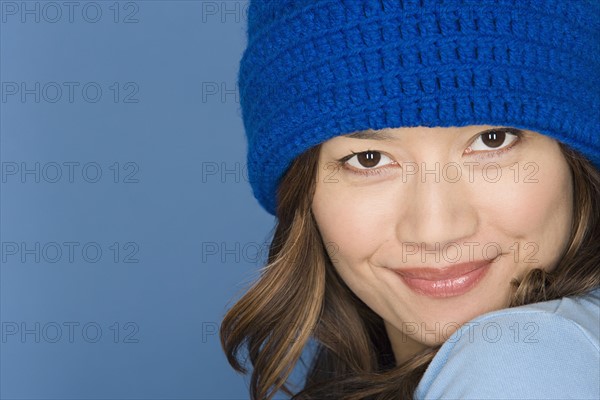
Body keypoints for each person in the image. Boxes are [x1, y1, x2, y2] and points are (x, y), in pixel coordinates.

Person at [220, 1, 600, 399]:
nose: (434, 230)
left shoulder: (518, 362)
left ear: (574, 158)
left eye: (492, 140)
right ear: (304, 191)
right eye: (370, 160)